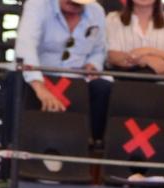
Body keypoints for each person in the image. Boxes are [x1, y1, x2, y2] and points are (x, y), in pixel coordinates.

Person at [10, 0, 111, 143]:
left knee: (103, 88)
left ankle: (92, 144)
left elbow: (99, 50)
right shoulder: (37, 5)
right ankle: (16, 143)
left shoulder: (97, 11)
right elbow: (26, 46)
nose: (74, 3)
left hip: (78, 79)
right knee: (17, 81)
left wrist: (93, 65)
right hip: (40, 75)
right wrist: (38, 85)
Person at [104, 0, 164, 76]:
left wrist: (149, 50)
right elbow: (112, 56)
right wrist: (145, 60)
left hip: (162, 83)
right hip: (123, 80)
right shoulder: (113, 19)